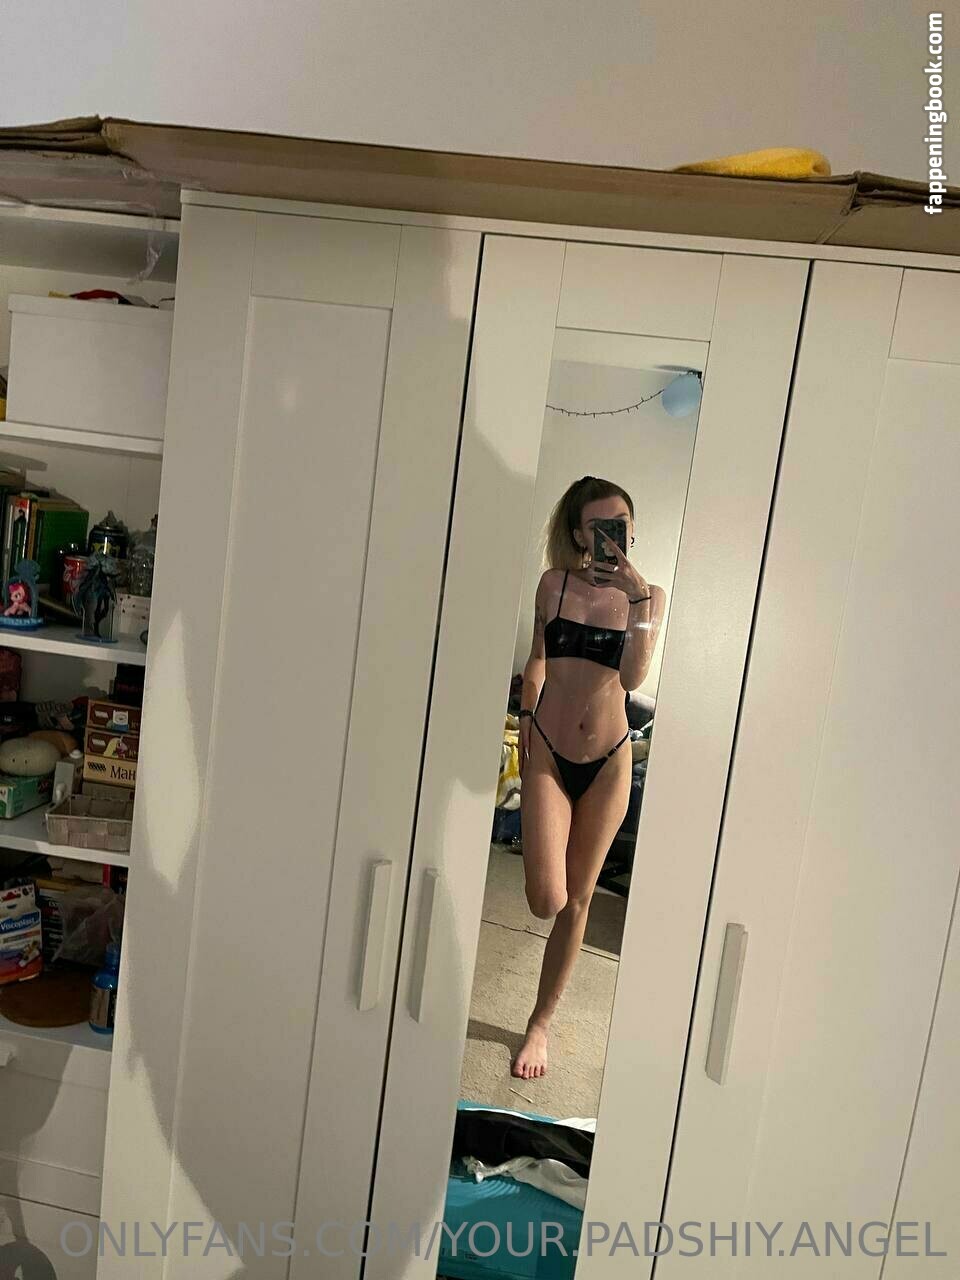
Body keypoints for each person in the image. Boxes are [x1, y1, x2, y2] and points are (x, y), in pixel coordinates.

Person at [513, 475, 665, 1080]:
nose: (611, 538)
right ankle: (540, 1016)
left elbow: (632, 678)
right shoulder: (553, 585)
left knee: (578, 899)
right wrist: (526, 710)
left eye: (620, 526)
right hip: (549, 750)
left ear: (631, 530)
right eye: (600, 527)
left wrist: (636, 601)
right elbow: (538, 658)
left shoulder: (647, 596)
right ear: (579, 534)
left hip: (609, 761)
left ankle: (540, 1024)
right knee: (545, 898)